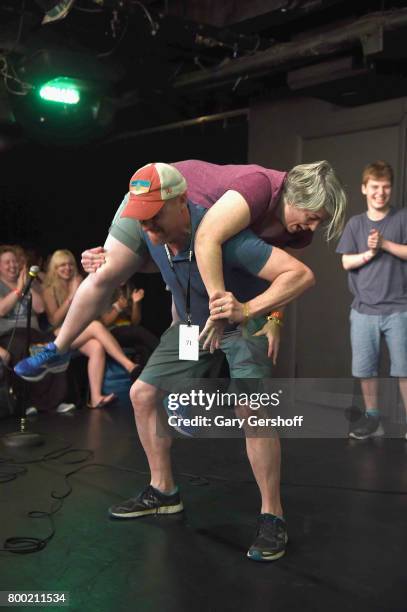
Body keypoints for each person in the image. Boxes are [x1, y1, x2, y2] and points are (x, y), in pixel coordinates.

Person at [15, 163, 315, 562]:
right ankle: (163, 490)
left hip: (240, 325)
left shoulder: (227, 236)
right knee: (142, 393)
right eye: (142, 218)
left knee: (253, 407)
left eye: (155, 215)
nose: (148, 225)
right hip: (192, 330)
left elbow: (297, 273)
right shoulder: (154, 232)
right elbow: (139, 264)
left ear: (181, 203)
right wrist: (102, 261)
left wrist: (257, 311)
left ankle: (272, 515)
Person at [83, 159, 347, 360]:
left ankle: (193, 388)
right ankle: (184, 389)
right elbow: (203, 238)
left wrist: (273, 320)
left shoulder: (295, 234)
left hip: (229, 280)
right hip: (198, 255)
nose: (312, 228)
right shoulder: (253, 190)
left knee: (239, 377)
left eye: (318, 223)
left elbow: (290, 279)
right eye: (312, 218)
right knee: (184, 316)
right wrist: (109, 258)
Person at [337, 161, 407, 440]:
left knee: (405, 369)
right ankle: (373, 420)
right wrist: (368, 253)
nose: (381, 192)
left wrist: (385, 245)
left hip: (400, 308)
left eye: (386, 187)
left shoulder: (402, 219)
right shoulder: (356, 224)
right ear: (364, 188)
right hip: (363, 310)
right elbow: (345, 262)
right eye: (375, 187)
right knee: (366, 370)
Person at [43, 249, 141, 408]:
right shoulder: (49, 290)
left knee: (96, 346)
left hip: (80, 332)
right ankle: (129, 366)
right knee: (95, 326)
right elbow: (54, 320)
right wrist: (72, 296)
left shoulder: (80, 281)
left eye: (70, 264)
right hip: (57, 335)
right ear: (54, 268)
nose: (67, 268)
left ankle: (95, 398)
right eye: (62, 265)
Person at [0, 245, 72, 415]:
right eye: (7, 262)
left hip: (34, 332)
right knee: (22, 349)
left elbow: (39, 308)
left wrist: (26, 285)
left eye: (15, 262)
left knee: (53, 348)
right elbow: (2, 309)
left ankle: (55, 402)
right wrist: (18, 290)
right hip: (10, 335)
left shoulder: (28, 282)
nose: (12, 265)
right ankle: (28, 403)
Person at [100, 281, 159, 367]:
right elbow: (105, 322)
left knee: (144, 349)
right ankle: (166, 355)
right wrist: (118, 308)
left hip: (129, 331)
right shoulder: (105, 290)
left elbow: (135, 322)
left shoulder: (130, 288)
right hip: (111, 332)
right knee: (139, 332)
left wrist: (136, 303)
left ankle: (143, 377)